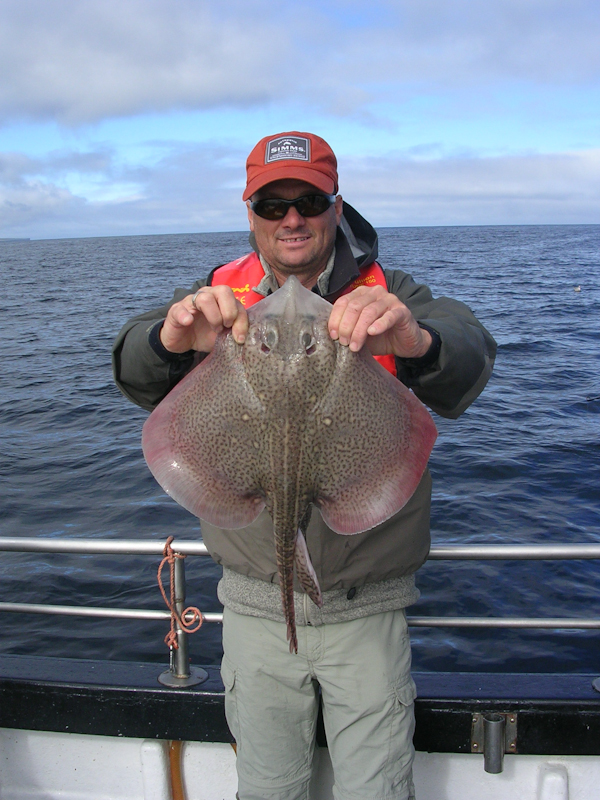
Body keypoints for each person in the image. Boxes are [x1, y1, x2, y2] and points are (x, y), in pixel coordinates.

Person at [113, 131, 496, 800]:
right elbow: (135, 367)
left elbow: (469, 355)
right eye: (272, 204)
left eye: (309, 200)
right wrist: (169, 338)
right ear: (251, 213)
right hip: (254, 610)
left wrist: (413, 338)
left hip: (366, 612)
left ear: (336, 206)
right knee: (267, 788)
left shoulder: (390, 292)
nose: (291, 217)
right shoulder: (216, 293)